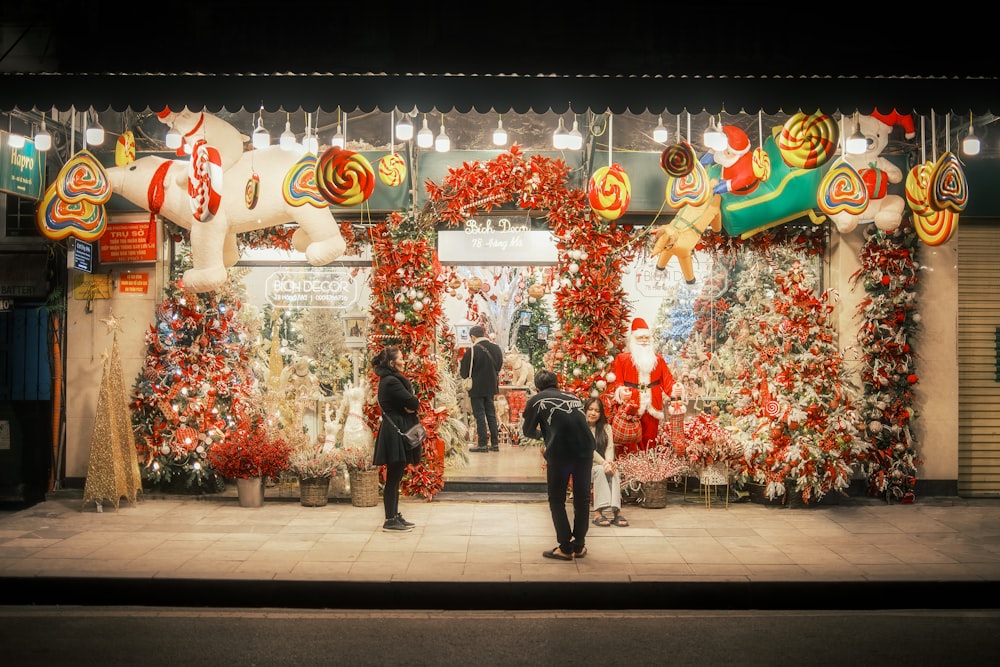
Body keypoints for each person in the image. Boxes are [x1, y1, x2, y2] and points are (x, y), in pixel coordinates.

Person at [522, 369, 595, 561]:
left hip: (561, 453)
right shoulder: (573, 397)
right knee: (582, 498)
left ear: (537, 387)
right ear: (557, 384)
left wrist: (545, 435)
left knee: (557, 499)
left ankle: (565, 547)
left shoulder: (536, 401)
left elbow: (528, 431)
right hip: (585, 451)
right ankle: (579, 546)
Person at [372, 345, 422, 532]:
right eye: (401, 358)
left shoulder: (391, 379)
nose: (404, 360)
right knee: (393, 478)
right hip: (395, 432)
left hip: (396, 428)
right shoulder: (391, 382)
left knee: (396, 476)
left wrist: (409, 405)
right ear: (392, 363)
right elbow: (413, 402)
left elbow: (410, 403)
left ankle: (394, 515)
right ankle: (389, 519)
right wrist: (410, 405)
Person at [611, 317, 679, 454]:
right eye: (640, 337)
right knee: (630, 440)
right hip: (631, 404)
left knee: (650, 440)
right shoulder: (622, 359)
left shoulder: (658, 359)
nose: (644, 341)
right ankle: (631, 469)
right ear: (633, 339)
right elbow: (616, 381)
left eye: (647, 338)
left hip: (653, 404)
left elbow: (667, 380)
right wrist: (620, 391)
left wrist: (675, 389)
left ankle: (649, 469)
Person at [459, 325, 504, 452]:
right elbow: (499, 366)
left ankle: (483, 443)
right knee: (491, 413)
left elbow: (464, 370)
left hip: (477, 387)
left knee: (479, 414)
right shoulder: (496, 348)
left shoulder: (472, 351)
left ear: (473, 337)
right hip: (491, 385)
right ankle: (495, 443)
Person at [585, 397, 627, 528]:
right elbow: (588, 449)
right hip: (586, 466)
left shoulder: (606, 427)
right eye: (590, 409)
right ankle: (598, 513)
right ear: (585, 411)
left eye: (597, 411)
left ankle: (617, 512)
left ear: (601, 413)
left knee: (614, 471)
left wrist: (609, 462)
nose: (593, 413)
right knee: (599, 470)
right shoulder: (580, 428)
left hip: (604, 465)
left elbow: (610, 447)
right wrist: (604, 463)